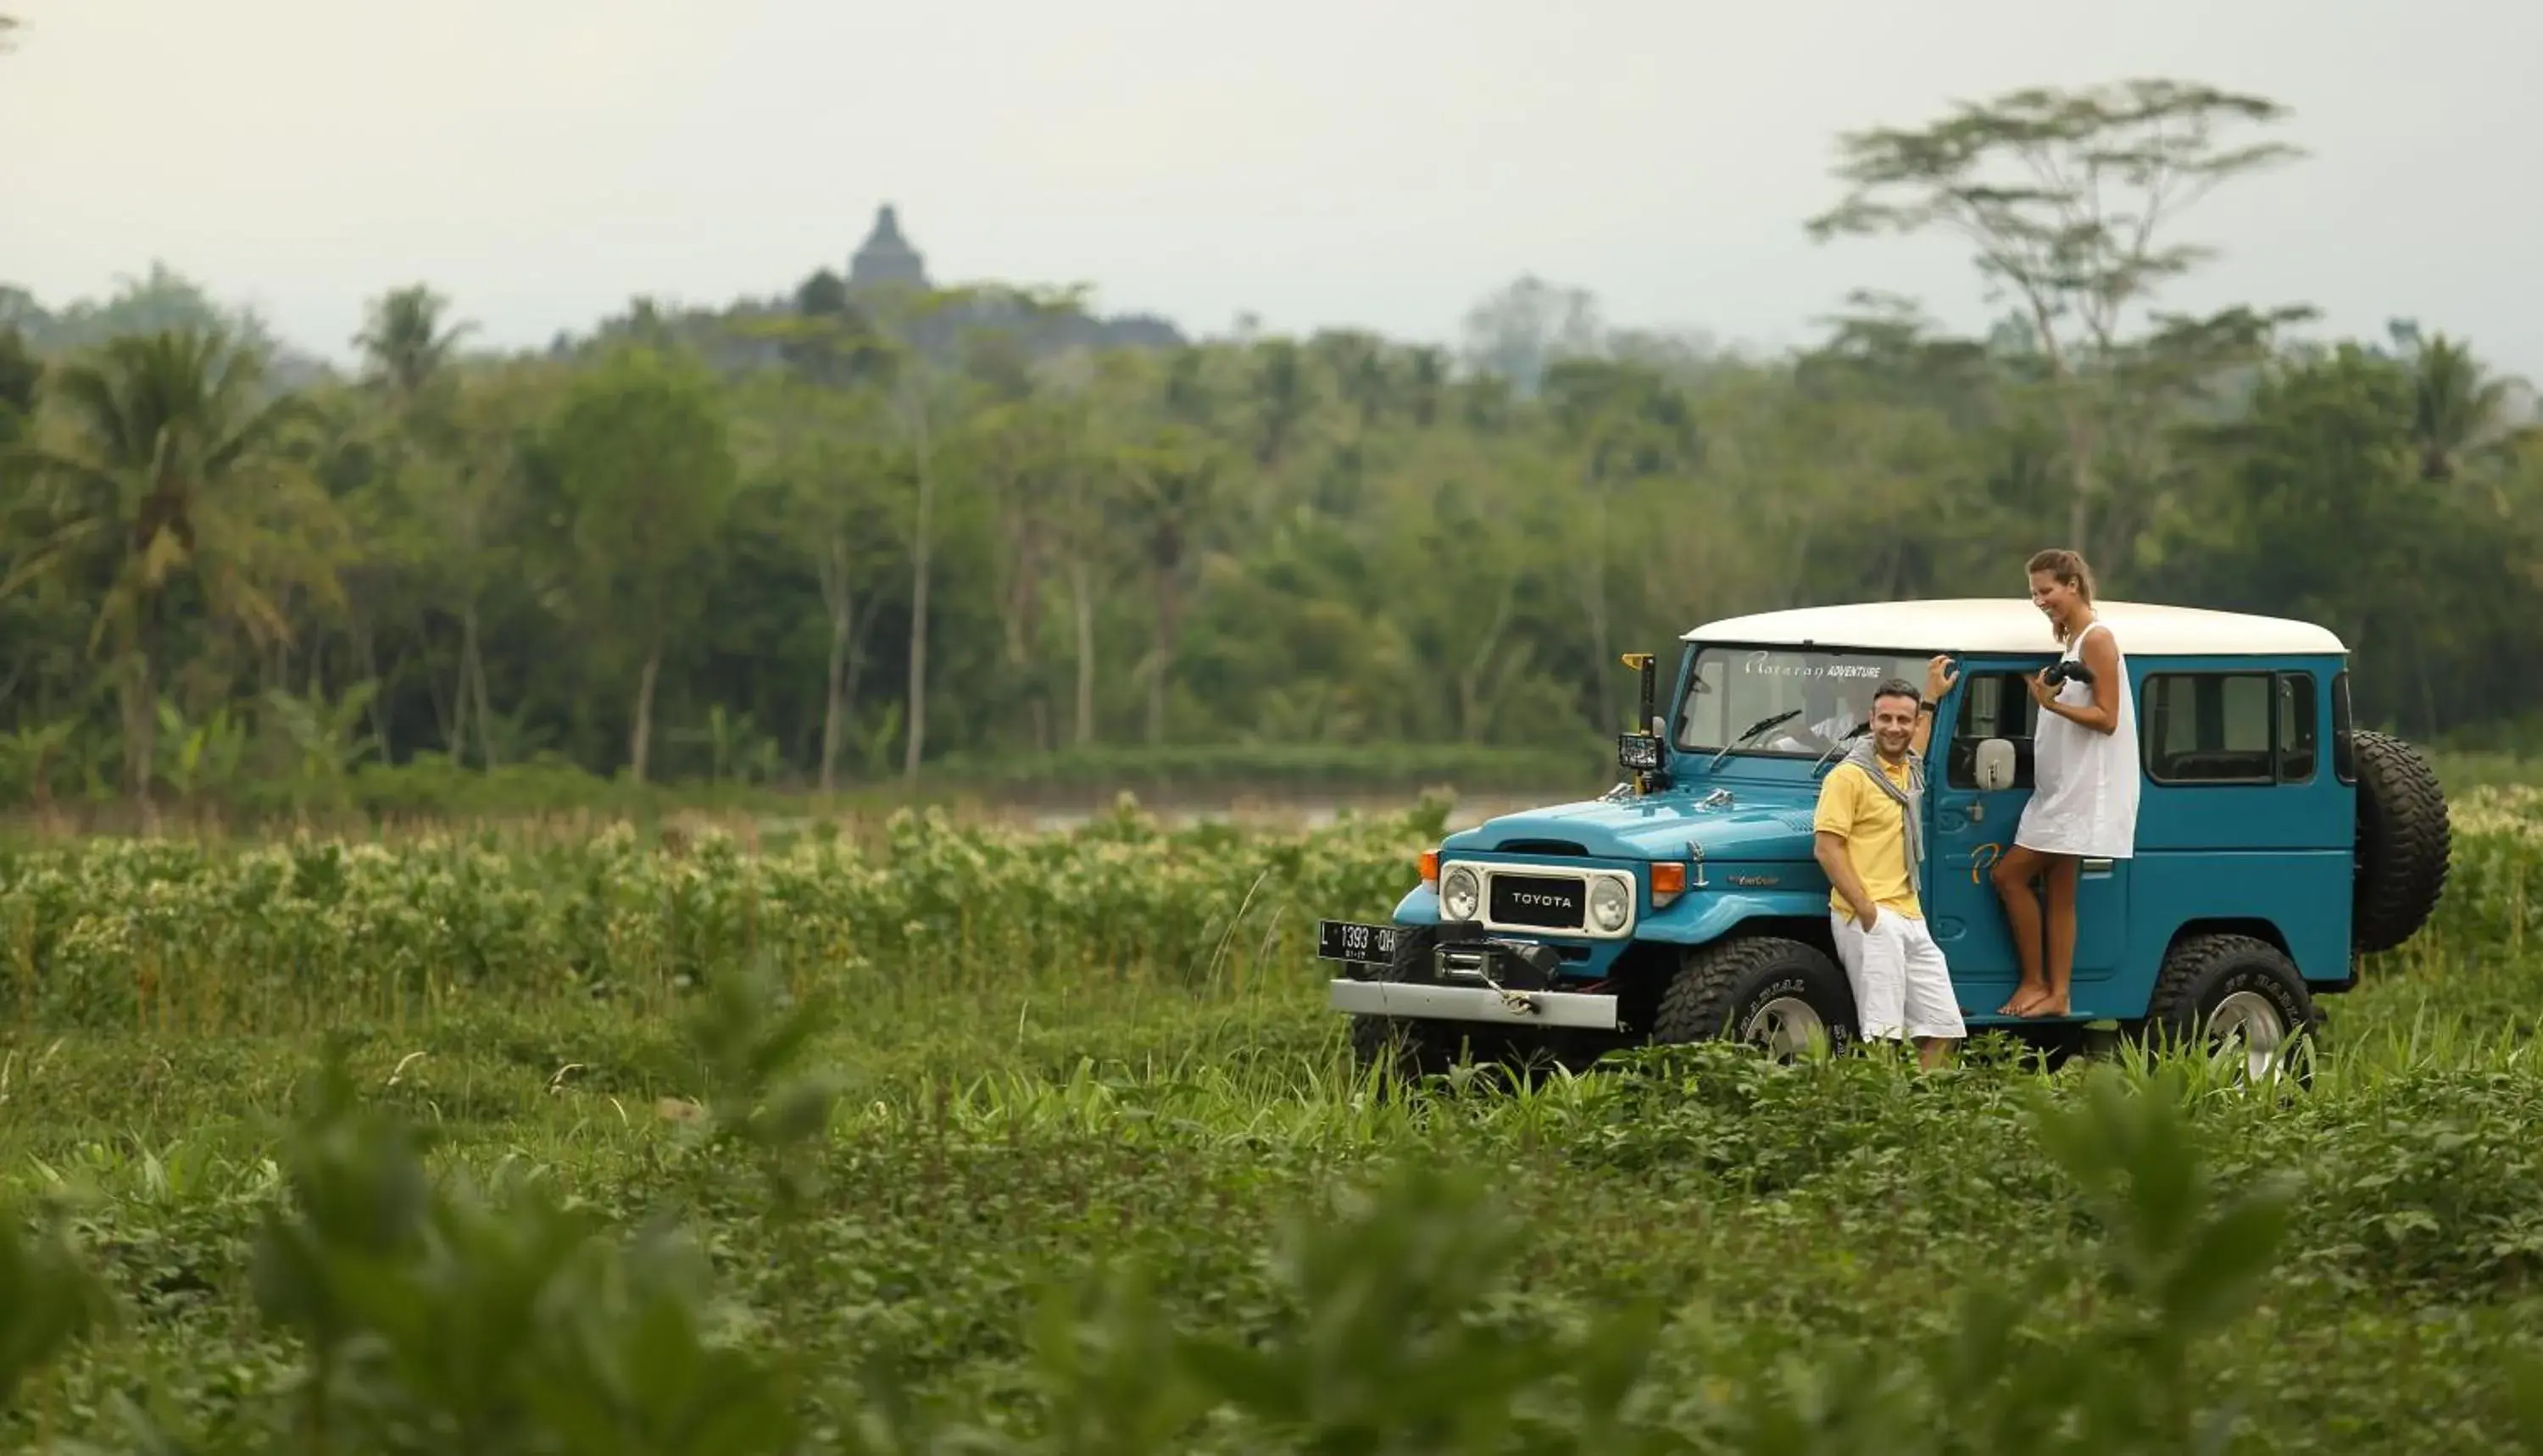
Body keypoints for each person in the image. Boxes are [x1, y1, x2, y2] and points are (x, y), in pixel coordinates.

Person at [1991, 547, 2140, 1018]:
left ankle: (2037, 981)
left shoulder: (2097, 639)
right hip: (2058, 789)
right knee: (2059, 893)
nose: (2040, 600)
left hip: (2081, 793)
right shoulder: (2073, 641)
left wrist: (2049, 704)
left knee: (2008, 875)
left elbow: (2109, 718)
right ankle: (2059, 994)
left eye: (2047, 591)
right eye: (2035, 593)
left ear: (2072, 585)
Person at [1812, 661, 1964, 1069]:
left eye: (1903, 720)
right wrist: (1867, 911)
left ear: (1914, 724)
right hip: (1870, 915)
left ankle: (1917, 1109)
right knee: (1883, 1033)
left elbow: (1921, 744)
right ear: (1871, 720)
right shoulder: (1849, 777)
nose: (1894, 727)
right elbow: (1827, 848)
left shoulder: (1906, 769)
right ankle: (1883, 1112)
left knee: (1944, 1026)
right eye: (1885, 719)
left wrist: (1931, 697)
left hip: (1910, 913)